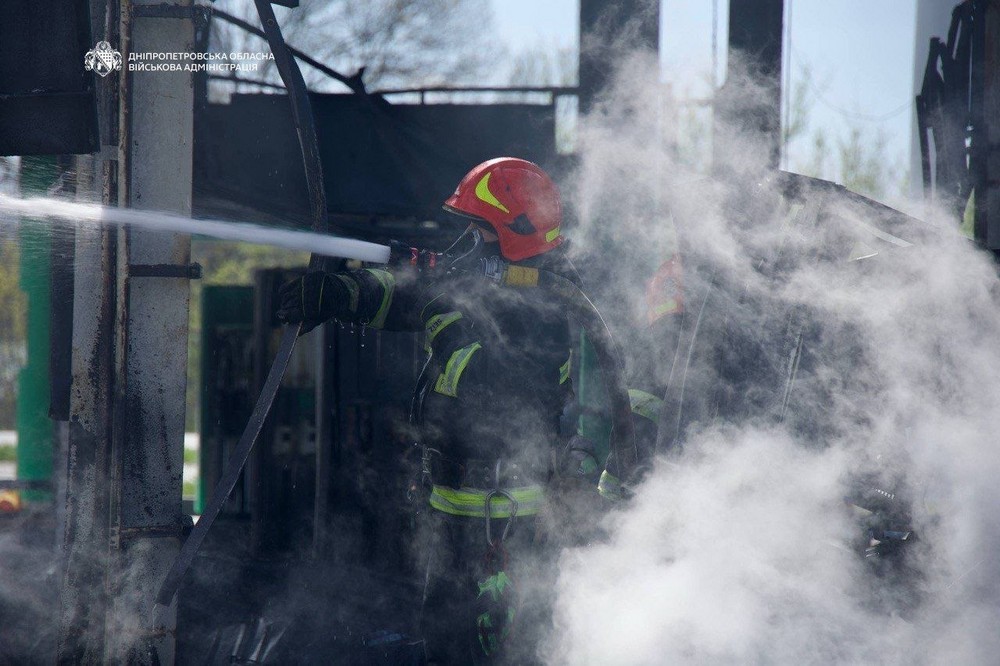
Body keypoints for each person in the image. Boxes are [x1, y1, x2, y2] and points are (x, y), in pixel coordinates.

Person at [277, 157, 577, 664]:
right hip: (453, 510)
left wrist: (444, 295)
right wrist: (339, 294)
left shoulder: (543, 319)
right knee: (442, 642)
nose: (466, 245)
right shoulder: (484, 294)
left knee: (500, 649)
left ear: (513, 237)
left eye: (477, 232)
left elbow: (482, 384)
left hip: (505, 525)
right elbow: (403, 297)